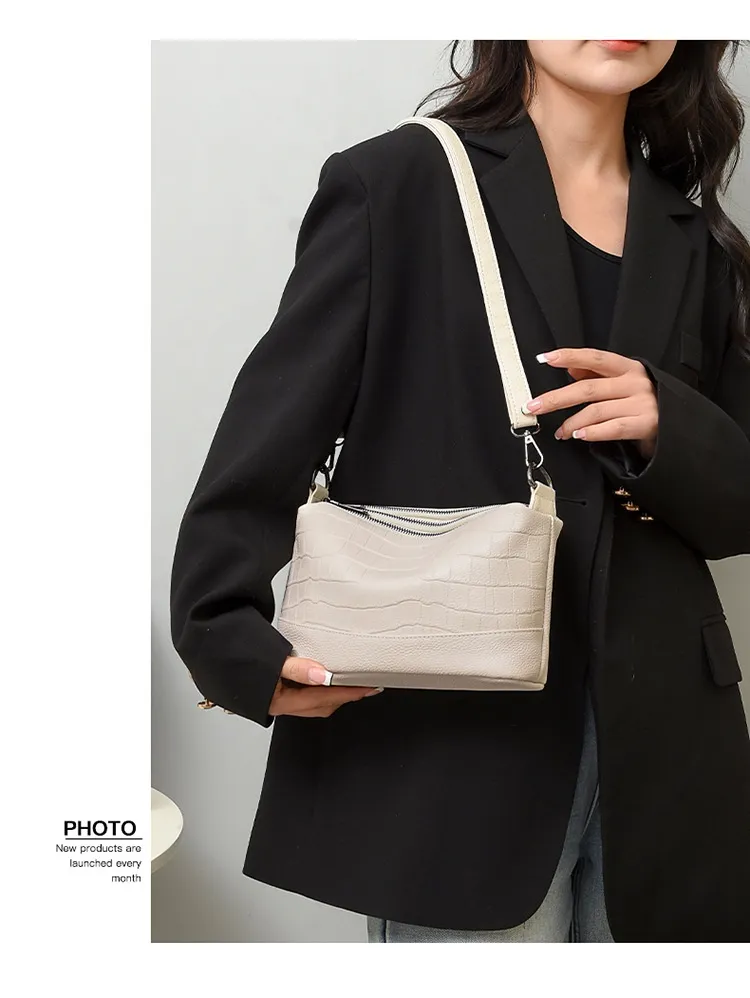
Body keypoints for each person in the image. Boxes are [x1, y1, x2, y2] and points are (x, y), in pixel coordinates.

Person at [169, 40, 750, 942]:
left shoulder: (694, 235)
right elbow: (274, 427)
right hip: (452, 740)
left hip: (668, 754)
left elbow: (735, 514)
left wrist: (670, 425)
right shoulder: (399, 183)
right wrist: (226, 637)